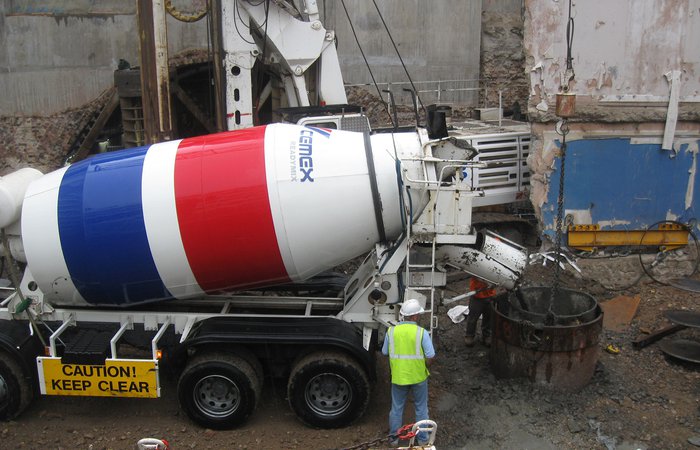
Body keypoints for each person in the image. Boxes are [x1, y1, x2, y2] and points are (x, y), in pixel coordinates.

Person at [382, 298, 435, 445]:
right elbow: (431, 356)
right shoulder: (421, 333)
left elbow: (385, 352)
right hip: (419, 377)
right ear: (415, 316)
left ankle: (394, 439)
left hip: (398, 377)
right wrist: (423, 366)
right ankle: (423, 440)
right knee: (421, 409)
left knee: (396, 408)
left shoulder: (391, 331)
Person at [464, 276, 497, 347]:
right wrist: (485, 281)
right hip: (476, 296)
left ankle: (487, 335)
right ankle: (469, 335)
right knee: (473, 317)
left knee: (489, 317)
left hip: (490, 295)